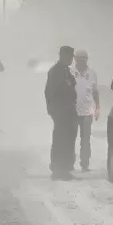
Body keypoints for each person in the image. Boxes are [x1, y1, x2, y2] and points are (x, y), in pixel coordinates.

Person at [45, 46, 78, 181]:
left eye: (72, 56)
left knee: (69, 139)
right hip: (61, 111)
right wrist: (52, 110)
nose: (71, 59)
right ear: (63, 56)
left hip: (68, 110)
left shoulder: (66, 71)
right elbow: (49, 92)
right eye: (69, 56)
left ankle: (65, 167)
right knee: (61, 140)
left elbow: (71, 85)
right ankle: (58, 169)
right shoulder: (55, 72)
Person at [72, 50, 100, 172]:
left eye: (85, 58)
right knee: (71, 138)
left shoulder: (92, 73)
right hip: (72, 112)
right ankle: (69, 162)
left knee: (85, 139)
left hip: (87, 112)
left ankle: (85, 163)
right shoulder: (70, 72)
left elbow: (95, 91)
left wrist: (98, 107)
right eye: (80, 58)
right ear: (75, 59)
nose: (82, 60)